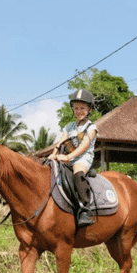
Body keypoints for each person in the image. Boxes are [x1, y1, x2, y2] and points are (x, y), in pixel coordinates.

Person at [50, 89, 98, 228]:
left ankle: (85, 210)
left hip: (83, 158)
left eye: (82, 108)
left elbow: (84, 146)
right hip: (67, 157)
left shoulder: (92, 128)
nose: (79, 111)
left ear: (89, 109)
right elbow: (60, 142)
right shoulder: (69, 127)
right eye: (76, 108)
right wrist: (54, 154)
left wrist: (68, 157)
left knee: (77, 173)